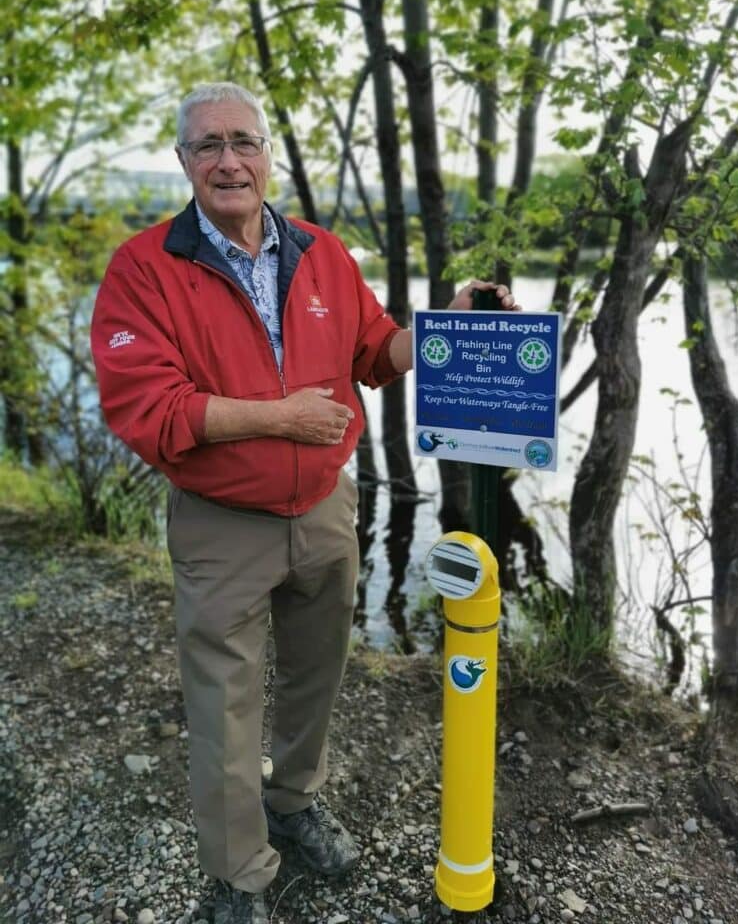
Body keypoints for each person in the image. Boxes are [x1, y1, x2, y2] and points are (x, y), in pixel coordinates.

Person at [90, 81, 519, 924]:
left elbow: (373, 349)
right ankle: (238, 872)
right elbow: (148, 410)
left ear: (267, 156)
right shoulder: (144, 269)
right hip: (222, 524)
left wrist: (447, 326)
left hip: (324, 510)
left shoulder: (320, 250)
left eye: (242, 142)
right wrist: (281, 417)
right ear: (184, 163)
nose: (227, 160)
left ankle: (293, 803)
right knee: (224, 699)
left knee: (317, 678)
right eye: (207, 146)